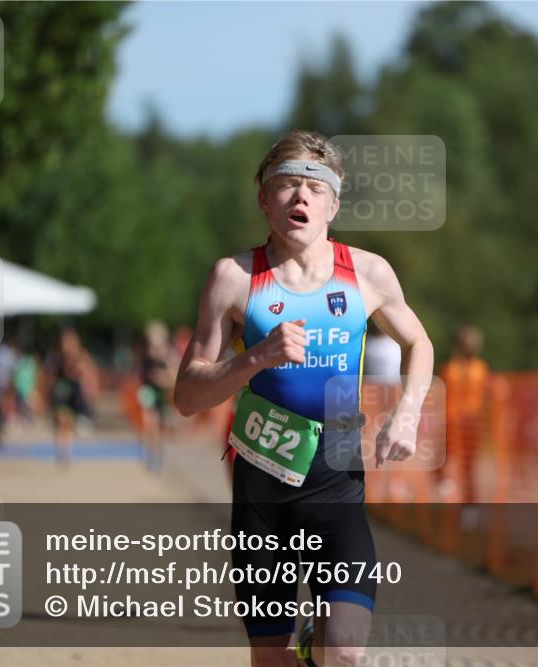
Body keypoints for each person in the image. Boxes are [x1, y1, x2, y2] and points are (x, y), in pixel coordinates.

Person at [173, 130, 434, 667]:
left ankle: (320, 644)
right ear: (264, 200)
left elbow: (419, 342)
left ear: (333, 205)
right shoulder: (234, 278)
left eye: (313, 190)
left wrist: (407, 415)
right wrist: (253, 358)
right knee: (271, 659)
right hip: (261, 490)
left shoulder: (367, 272)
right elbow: (186, 396)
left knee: (344, 652)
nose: (300, 198)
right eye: (286, 186)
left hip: (337, 483)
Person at [436, 325, 490, 505]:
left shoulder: (450, 369)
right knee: (468, 467)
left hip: (452, 421)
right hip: (469, 422)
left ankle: (445, 490)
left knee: (443, 461)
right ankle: (468, 504)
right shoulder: (481, 369)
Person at [46, 328, 98, 467]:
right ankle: (61, 451)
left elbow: (89, 373)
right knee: (62, 422)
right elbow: (49, 377)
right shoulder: (56, 357)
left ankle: (66, 451)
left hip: (74, 393)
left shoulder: (81, 356)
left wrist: (90, 391)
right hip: (61, 392)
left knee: (68, 424)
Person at [137, 319, 178, 473]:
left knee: (161, 430)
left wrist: (163, 375)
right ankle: (150, 455)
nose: (152, 346)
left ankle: (159, 458)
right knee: (150, 424)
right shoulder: (146, 357)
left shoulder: (169, 356)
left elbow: (174, 378)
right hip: (150, 394)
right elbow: (141, 375)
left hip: (164, 395)